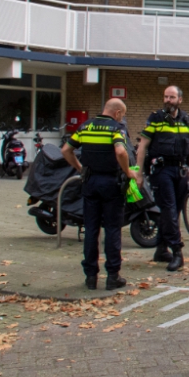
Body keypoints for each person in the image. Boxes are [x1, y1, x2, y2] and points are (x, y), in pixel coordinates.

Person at [61, 98, 134, 291]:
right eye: (122, 115)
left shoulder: (86, 127)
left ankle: (91, 276)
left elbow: (66, 149)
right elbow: (121, 151)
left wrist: (80, 168)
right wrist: (128, 172)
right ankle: (112, 276)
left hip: (90, 182)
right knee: (112, 229)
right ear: (117, 113)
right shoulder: (116, 128)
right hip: (111, 183)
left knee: (91, 229)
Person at [135, 85, 189, 272]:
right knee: (169, 208)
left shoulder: (186, 119)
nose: (168, 100)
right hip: (161, 170)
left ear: (180, 99)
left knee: (174, 211)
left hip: (181, 170)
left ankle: (161, 249)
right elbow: (143, 146)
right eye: (166, 97)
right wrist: (138, 172)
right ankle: (177, 251)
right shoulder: (155, 118)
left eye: (172, 97)